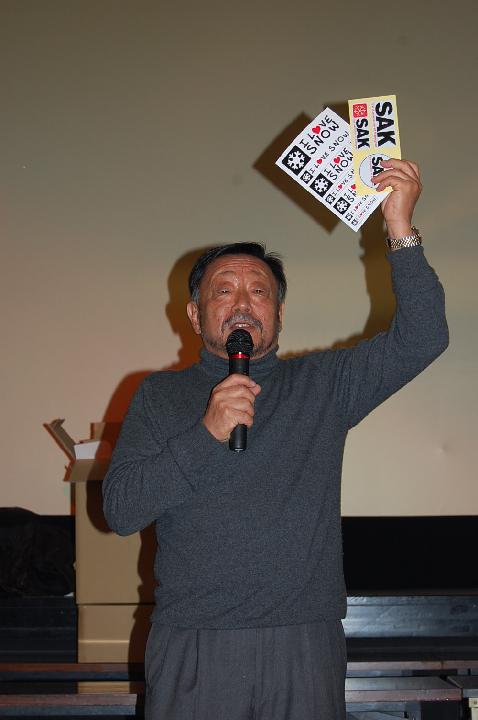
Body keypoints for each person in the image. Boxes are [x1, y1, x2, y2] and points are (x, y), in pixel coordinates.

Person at [102, 158, 448, 720]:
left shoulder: (324, 385)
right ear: (195, 314)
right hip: (196, 645)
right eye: (224, 290)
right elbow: (120, 511)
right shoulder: (159, 396)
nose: (242, 303)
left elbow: (424, 337)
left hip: (303, 644)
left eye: (258, 291)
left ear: (279, 314)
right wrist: (206, 434)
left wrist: (400, 228)